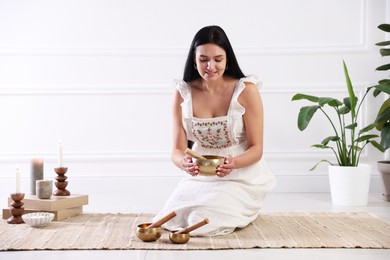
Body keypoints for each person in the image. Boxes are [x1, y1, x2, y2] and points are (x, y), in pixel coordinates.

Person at [153, 25, 276, 236]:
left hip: (240, 176)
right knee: (173, 218)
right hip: (200, 176)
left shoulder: (246, 90)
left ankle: (242, 208)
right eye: (203, 60)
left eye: (218, 59)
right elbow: (177, 150)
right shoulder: (183, 92)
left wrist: (234, 164)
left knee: (204, 221)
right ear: (194, 59)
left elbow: (257, 149)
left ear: (228, 59)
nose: (211, 66)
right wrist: (183, 162)